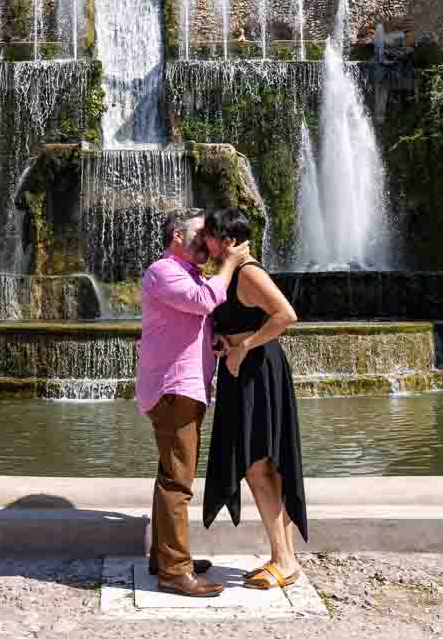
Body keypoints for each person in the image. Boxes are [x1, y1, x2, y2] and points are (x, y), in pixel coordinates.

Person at [137, 208, 250, 598]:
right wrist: (232, 263)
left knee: (169, 473)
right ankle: (174, 571)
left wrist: (213, 339)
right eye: (201, 234)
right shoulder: (163, 270)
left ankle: (163, 556)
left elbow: (195, 319)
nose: (210, 240)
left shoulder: (185, 273)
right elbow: (202, 302)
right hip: (174, 390)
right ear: (178, 237)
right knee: (177, 482)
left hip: (183, 388)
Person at [201, 207, 308, 591]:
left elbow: (286, 315)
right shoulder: (233, 272)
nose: (204, 242)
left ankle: (284, 560)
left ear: (226, 241)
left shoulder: (248, 272)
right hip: (244, 370)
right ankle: (285, 557)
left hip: (257, 372)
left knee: (258, 466)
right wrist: (226, 340)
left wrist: (244, 345)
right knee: (263, 466)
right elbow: (237, 317)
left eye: (210, 236)